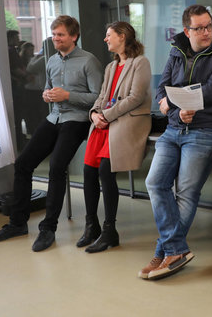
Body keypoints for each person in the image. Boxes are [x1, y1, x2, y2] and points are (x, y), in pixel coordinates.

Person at [0, 15, 103, 252]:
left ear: (74, 36)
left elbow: (98, 98)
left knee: (56, 167)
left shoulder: (88, 61)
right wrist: (47, 94)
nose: (56, 38)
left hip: (78, 120)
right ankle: (17, 223)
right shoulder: (51, 61)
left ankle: (47, 228)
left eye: (60, 34)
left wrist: (68, 96)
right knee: (22, 164)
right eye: (54, 34)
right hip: (55, 117)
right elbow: (47, 88)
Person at [139, 4, 212, 280]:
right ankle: (176, 248)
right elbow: (162, 87)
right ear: (186, 30)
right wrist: (175, 106)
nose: (206, 32)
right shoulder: (176, 50)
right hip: (172, 130)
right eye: (199, 28)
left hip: (206, 129)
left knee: (186, 192)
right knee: (154, 183)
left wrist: (176, 101)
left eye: (209, 26)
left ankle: (164, 251)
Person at [77, 21, 152, 253]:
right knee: (88, 171)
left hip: (126, 122)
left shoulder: (140, 63)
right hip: (106, 122)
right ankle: (92, 226)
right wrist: (94, 115)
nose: (105, 39)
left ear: (122, 36)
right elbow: (101, 96)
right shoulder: (111, 67)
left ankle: (110, 231)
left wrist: (105, 116)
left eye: (109, 35)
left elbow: (136, 97)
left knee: (105, 171)